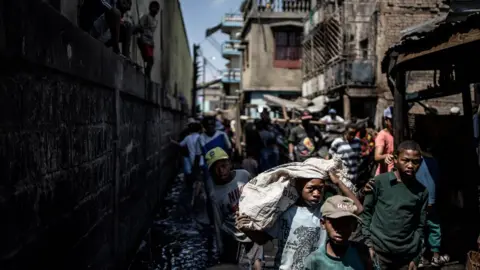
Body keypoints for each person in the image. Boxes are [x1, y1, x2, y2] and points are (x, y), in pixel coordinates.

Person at [236, 171, 363, 270]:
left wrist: (338, 182)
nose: (316, 193)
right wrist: (245, 229)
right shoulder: (285, 212)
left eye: (320, 189)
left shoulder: (325, 210)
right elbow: (262, 239)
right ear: (299, 187)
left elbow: (357, 208)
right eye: (311, 188)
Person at [361, 140, 428, 270]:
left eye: (415, 162)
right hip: (379, 254)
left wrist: (416, 257)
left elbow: (421, 225)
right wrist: (368, 245)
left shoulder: (421, 191)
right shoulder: (379, 182)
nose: (410, 165)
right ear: (396, 159)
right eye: (405, 160)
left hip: (406, 257)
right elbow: (366, 215)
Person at [205, 147, 263, 269]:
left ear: (230, 164)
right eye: (216, 169)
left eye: (223, 166)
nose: (221, 171)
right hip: (231, 233)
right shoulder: (215, 194)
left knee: (257, 262)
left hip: (251, 227)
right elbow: (218, 221)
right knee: (231, 265)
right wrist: (220, 246)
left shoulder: (244, 175)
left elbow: (258, 195)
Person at [303, 195, 372, 270]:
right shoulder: (314, 261)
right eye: (335, 223)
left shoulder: (363, 253)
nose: (340, 229)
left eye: (346, 224)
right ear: (323, 223)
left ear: (354, 226)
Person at [414, 137, 449, 267]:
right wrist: (432, 201)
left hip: (421, 201)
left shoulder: (419, 162)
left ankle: (422, 257)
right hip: (429, 201)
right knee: (433, 227)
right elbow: (433, 184)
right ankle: (435, 256)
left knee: (421, 227)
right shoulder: (431, 162)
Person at [328, 122, 362, 192]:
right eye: (350, 133)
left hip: (354, 177)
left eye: (354, 134)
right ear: (346, 131)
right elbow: (329, 157)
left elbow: (358, 158)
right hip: (341, 178)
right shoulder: (337, 142)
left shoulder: (357, 141)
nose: (352, 136)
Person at [170, 119, 203, 184]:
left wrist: (172, 141)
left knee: (193, 175)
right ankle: (197, 190)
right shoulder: (201, 137)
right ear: (199, 130)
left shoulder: (188, 138)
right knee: (199, 178)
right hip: (201, 160)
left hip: (192, 159)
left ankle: (193, 188)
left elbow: (180, 144)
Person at [135, 1, 160, 78]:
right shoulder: (146, 16)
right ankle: (147, 75)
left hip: (150, 43)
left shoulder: (155, 21)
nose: (155, 10)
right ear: (150, 8)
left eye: (156, 8)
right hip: (144, 40)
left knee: (150, 61)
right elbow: (139, 26)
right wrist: (140, 30)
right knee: (150, 60)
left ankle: (147, 74)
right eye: (153, 7)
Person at [374, 107, 394, 176]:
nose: (394, 122)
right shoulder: (382, 135)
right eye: (392, 120)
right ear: (386, 120)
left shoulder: (396, 134)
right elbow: (377, 157)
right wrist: (386, 156)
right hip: (384, 176)